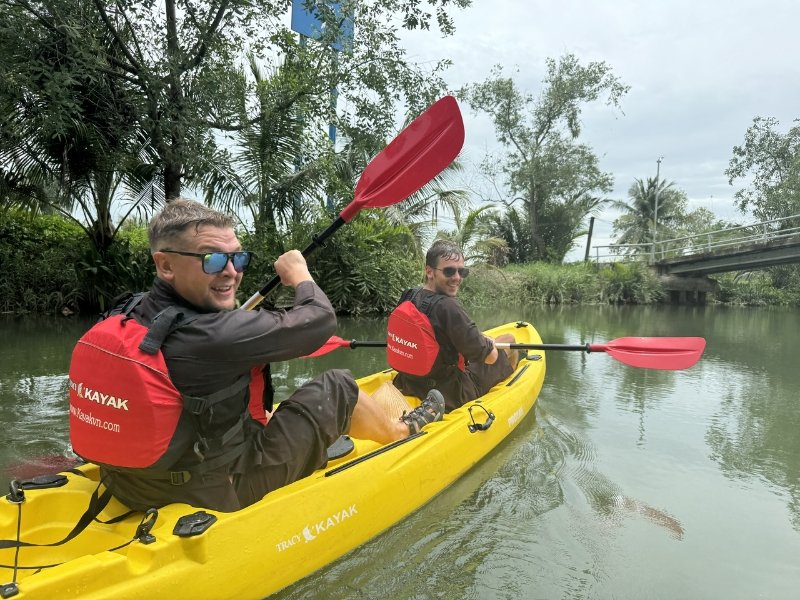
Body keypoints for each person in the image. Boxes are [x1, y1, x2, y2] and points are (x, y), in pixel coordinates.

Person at [68, 198, 444, 512]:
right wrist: (300, 274)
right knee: (339, 385)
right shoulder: (211, 334)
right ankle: (398, 431)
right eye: (212, 260)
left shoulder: (127, 311)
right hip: (216, 489)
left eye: (238, 259)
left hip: (129, 485)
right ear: (165, 264)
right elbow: (319, 320)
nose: (231, 272)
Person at [390, 239, 519, 412]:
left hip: (408, 382)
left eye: (462, 271)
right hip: (450, 392)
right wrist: (487, 342)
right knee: (511, 342)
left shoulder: (409, 295)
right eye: (449, 271)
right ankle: (510, 392)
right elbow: (490, 357)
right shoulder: (448, 307)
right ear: (430, 272)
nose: (457, 277)